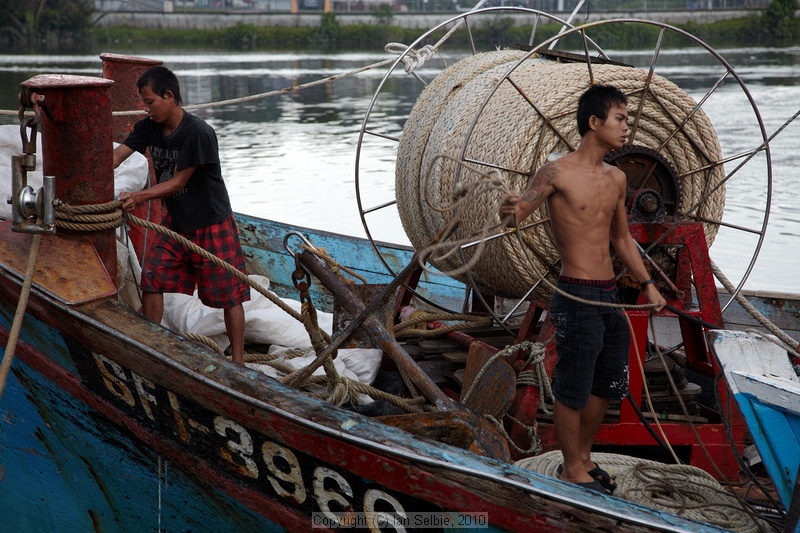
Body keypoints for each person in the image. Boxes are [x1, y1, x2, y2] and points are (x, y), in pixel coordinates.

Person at [498, 84, 666, 494]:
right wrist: (507, 207)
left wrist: (648, 285)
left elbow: (622, 239)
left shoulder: (617, 178)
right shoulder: (555, 173)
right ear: (594, 123)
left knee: (608, 381)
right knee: (573, 384)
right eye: (620, 118)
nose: (627, 127)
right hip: (575, 293)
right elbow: (516, 215)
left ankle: (584, 457)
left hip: (610, 295)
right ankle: (570, 467)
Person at [114, 65, 249, 365]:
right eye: (144, 103)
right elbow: (118, 155)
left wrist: (138, 196)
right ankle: (149, 346)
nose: (147, 110)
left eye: (150, 102)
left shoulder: (199, 133)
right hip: (177, 223)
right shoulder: (149, 128)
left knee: (230, 294)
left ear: (170, 96)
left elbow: (178, 182)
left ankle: (239, 361)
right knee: (152, 278)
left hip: (211, 223)